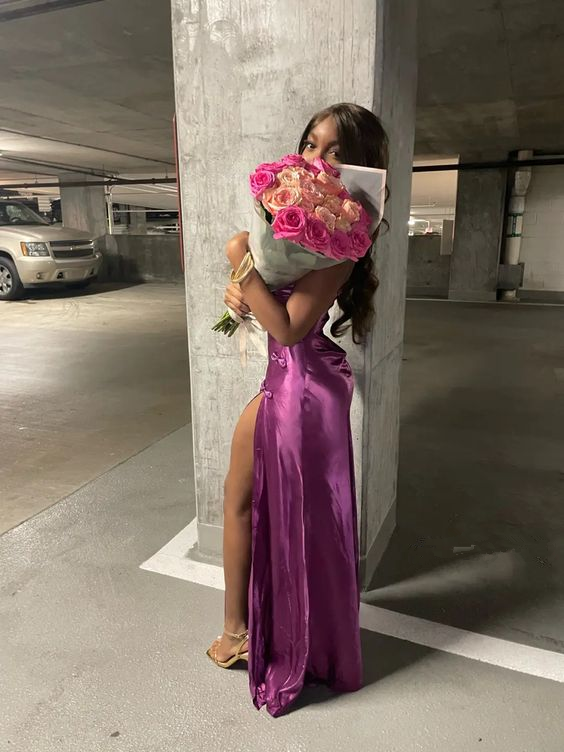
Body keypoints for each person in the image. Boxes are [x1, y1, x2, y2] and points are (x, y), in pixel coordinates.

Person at [206, 103, 389, 717]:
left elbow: (288, 327)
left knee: (259, 505)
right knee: (245, 499)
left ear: (358, 164)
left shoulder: (343, 240)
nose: (316, 160)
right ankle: (242, 629)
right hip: (290, 379)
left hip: (301, 384)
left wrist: (241, 259)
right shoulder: (305, 229)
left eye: (334, 150)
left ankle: (249, 635)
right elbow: (266, 305)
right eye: (311, 144)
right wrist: (241, 288)